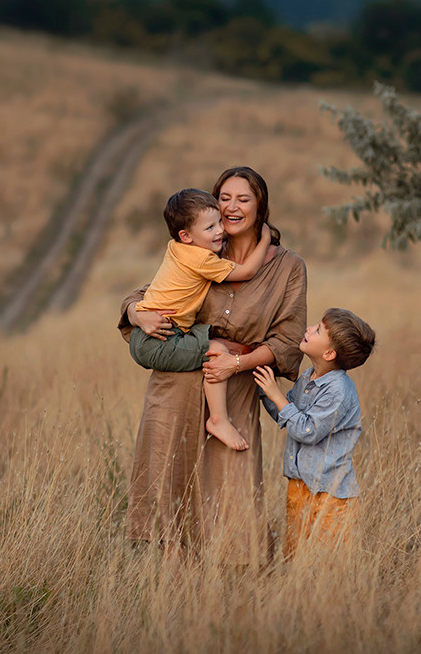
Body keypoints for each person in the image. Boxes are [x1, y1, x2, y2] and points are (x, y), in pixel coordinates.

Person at [120, 166, 307, 560]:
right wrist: (136, 312)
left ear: (261, 206)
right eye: (224, 198)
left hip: (234, 394)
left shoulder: (288, 267)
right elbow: (150, 294)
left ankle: (237, 593)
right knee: (168, 493)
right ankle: (172, 595)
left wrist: (236, 364)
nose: (232, 207)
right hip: (174, 394)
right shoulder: (200, 251)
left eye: (244, 199)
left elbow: (289, 341)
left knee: (233, 495)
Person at [129, 187, 272, 451]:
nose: (219, 231)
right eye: (210, 228)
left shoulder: (175, 249)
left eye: (219, 222)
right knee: (216, 350)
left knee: (210, 345)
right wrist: (264, 238)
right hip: (159, 340)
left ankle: (217, 419)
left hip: (147, 335)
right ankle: (218, 420)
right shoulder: (203, 259)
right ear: (186, 236)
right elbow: (248, 271)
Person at [253, 307, 375, 558]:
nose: (308, 329)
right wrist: (263, 391)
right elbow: (286, 414)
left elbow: (306, 430)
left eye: (318, 330)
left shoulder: (338, 390)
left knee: (326, 563)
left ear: (329, 353)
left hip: (329, 493)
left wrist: (276, 394)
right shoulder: (309, 377)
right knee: (296, 556)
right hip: (299, 487)